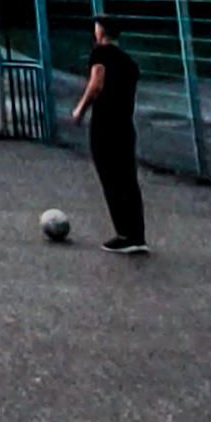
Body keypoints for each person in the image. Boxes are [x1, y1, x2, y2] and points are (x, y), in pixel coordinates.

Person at [73, 13, 148, 252]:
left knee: (110, 177)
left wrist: (80, 110)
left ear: (101, 31)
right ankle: (137, 235)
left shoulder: (100, 53)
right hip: (125, 124)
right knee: (128, 178)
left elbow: (97, 83)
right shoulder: (129, 62)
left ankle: (123, 234)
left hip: (105, 123)